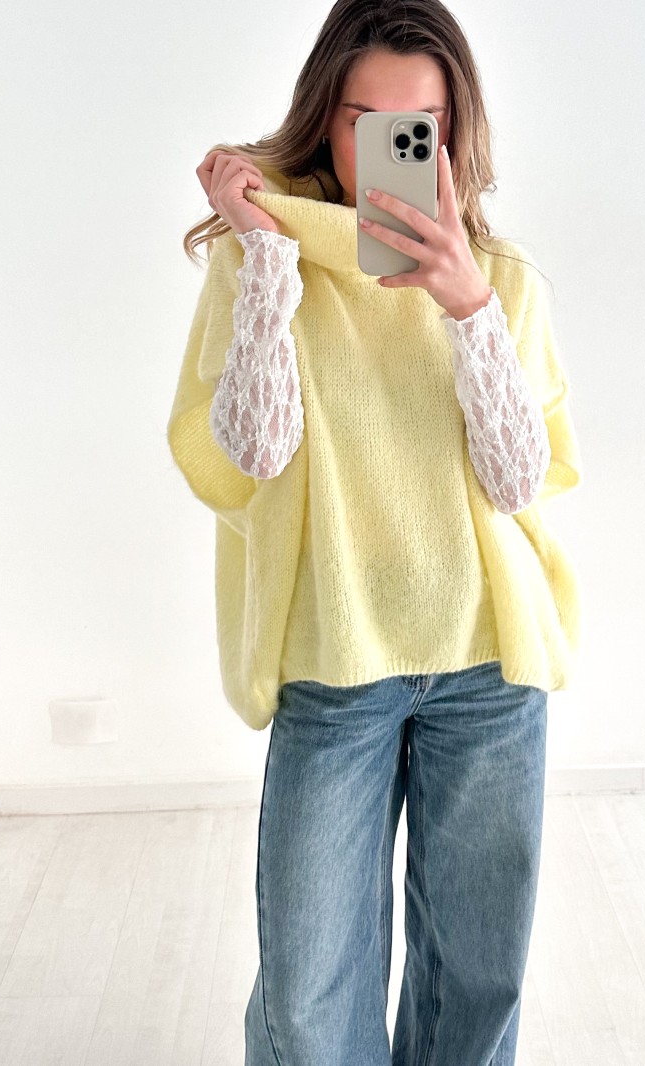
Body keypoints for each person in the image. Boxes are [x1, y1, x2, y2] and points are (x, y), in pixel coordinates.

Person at [167, 2, 584, 1063]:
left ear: (453, 133)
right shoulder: (265, 263)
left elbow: (518, 482)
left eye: (420, 129)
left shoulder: (504, 284)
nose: (394, 150)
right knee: (309, 997)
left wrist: (466, 307)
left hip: (486, 673)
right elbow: (254, 454)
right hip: (336, 664)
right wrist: (268, 259)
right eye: (369, 123)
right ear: (326, 119)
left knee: (474, 983)